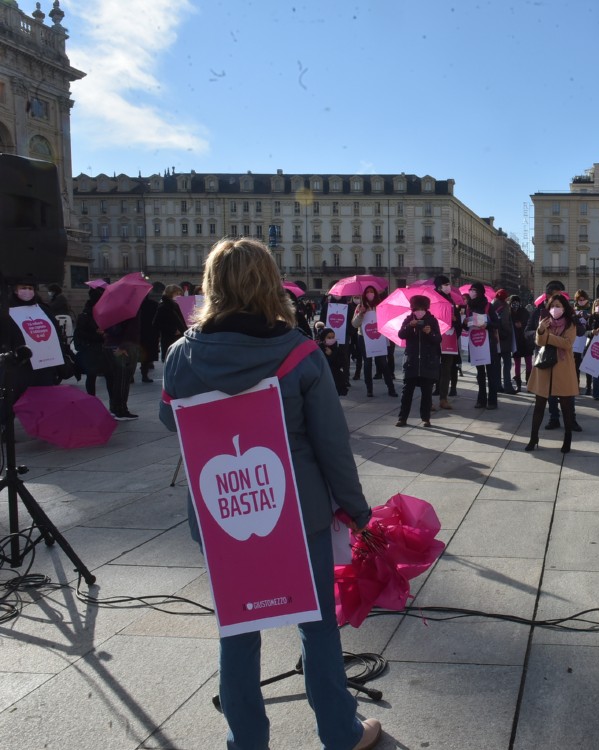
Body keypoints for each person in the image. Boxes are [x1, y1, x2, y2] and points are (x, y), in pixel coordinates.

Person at [157, 237, 382, 750]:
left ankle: (247, 740)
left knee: (237, 629)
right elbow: (332, 443)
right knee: (317, 624)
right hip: (296, 511)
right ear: (270, 284)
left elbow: (172, 419)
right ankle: (339, 732)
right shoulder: (299, 352)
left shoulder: (181, 355)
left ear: (212, 285)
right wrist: (356, 510)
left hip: (224, 512)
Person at [525, 293, 579, 453]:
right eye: (552, 306)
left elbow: (567, 344)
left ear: (564, 308)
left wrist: (547, 337)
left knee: (566, 406)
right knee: (539, 405)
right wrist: (541, 330)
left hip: (563, 368)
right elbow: (539, 341)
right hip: (545, 367)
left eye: (558, 306)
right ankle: (533, 438)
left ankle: (567, 439)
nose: (555, 309)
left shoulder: (570, 324)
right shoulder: (545, 322)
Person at [395, 294, 442, 427]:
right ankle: (402, 417)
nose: (419, 311)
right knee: (407, 391)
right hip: (412, 361)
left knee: (427, 392)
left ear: (426, 309)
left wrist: (430, 333)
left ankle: (426, 418)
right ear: (413, 309)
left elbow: (438, 339)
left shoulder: (432, 321)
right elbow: (401, 334)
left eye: (422, 309)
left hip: (428, 361)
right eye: (417, 309)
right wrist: (410, 326)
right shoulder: (409, 319)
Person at [465, 281, 500, 409]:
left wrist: (488, 325)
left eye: (474, 290)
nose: (471, 292)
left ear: (480, 292)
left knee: (491, 373)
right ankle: (481, 399)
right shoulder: (468, 307)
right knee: (480, 374)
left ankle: (492, 401)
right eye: (471, 290)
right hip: (475, 344)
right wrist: (465, 323)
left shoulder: (488, 306)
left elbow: (497, 323)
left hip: (488, 344)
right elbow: (466, 326)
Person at [433, 275, 461, 407]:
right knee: (432, 368)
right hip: (434, 338)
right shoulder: (433, 300)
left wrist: (455, 320)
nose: (448, 287)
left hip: (449, 338)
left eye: (448, 284)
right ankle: (429, 399)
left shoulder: (451, 300)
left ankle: (443, 398)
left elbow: (457, 320)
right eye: (446, 284)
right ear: (439, 286)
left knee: (446, 368)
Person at [73, 288, 106, 397]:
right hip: (91, 349)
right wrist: (98, 335)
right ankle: (92, 397)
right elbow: (81, 333)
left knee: (93, 375)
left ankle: (92, 397)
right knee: (92, 375)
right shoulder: (87, 314)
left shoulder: (96, 312)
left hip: (97, 348)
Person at [153, 284, 189, 362]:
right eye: (177, 293)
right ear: (170, 293)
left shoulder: (176, 305)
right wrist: (173, 330)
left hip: (179, 338)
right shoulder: (163, 306)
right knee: (171, 360)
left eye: (180, 294)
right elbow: (157, 323)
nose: (179, 296)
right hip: (169, 339)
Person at [492, 288, 516, 394]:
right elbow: (505, 322)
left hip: (495, 338)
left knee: (497, 364)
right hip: (504, 339)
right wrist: (510, 331)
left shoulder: (492, 305)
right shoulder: (505, 306)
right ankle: (507, 386)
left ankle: (497, 385)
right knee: (507, 364)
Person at [572, 290, 593, 394]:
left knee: (587, 363)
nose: (581, 301)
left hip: (588, 338)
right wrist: (576, 316)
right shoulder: (573, 310)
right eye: (579, 299)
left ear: (586, 299)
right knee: (576, 364)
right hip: (576, 340)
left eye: (583, 299)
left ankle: (589, 386)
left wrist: (588, 317)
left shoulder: (591, 309)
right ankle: (576, 385)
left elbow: (593, 323)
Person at [318, 327, 350, 396]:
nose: (331, 339)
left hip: (336, 379)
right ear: (324, 338)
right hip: (323, 379)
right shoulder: (319, 349)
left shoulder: (337, 349)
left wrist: (331, 354)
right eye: (329, 338)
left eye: (333, 337)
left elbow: (342, 363)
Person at [510, 294, 532, 393]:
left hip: (526, 341)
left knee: (528, 362)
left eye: (516, 302)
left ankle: (529, 383)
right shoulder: (509, 313)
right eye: (513, 302)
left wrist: (522, 325)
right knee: (517, 363)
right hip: (516, 341)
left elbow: (529, 324)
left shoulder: (524, 312)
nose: (515, 304)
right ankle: (518, 384)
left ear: (519, 303)